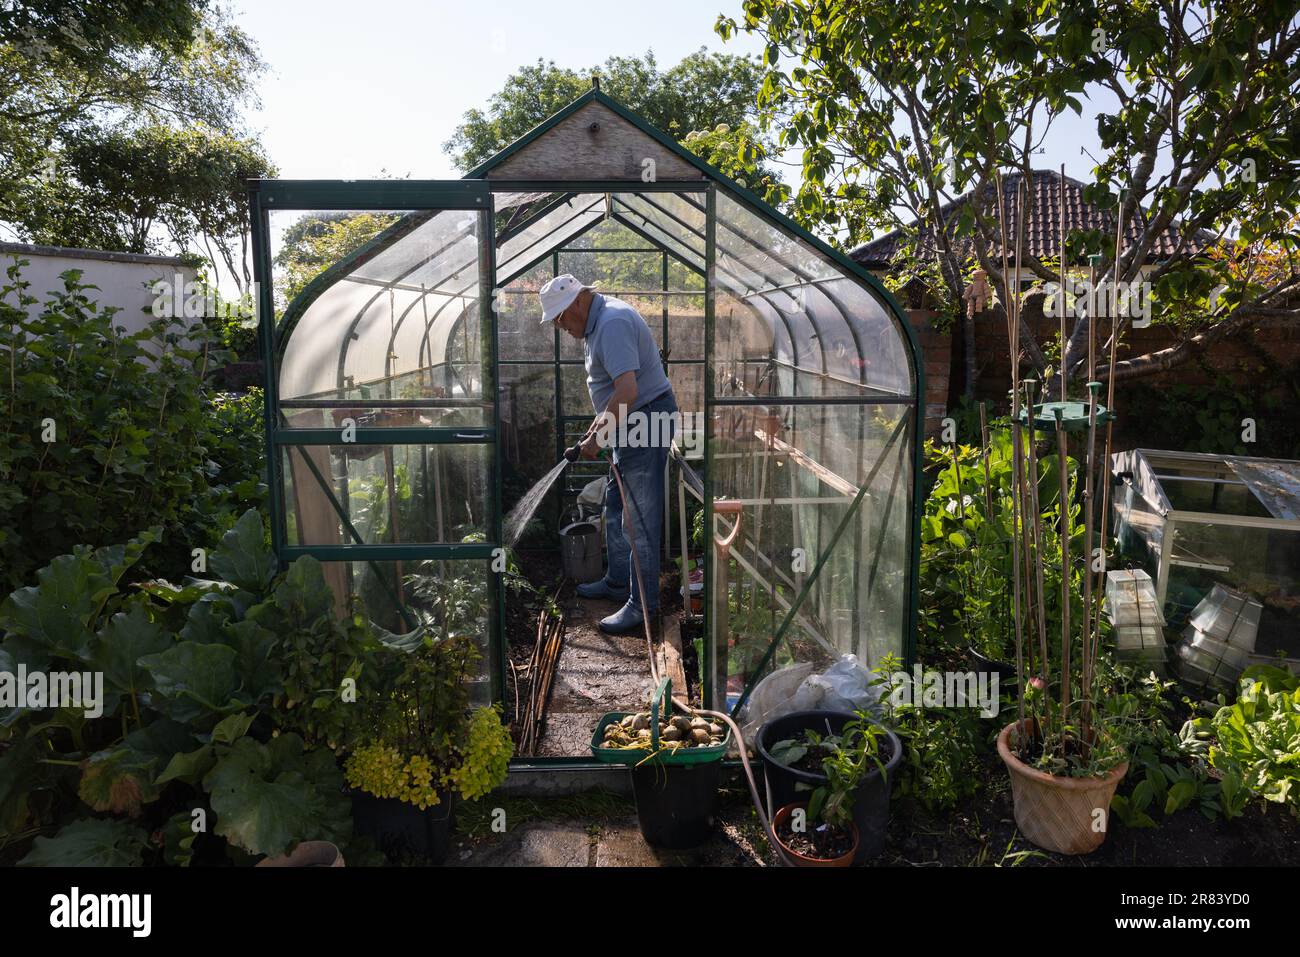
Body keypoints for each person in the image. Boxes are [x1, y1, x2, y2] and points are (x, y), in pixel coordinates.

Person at [539, 274, 677, 634]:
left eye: (560, 317)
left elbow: (629, 390)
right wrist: (599, 428)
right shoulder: (595, 325)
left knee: (639, 523)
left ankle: (641, 606)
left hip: (646, 421)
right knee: (615, 508)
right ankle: (618, 582)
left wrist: (598, 437)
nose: (560, 327)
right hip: (631, 421)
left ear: (578, 302)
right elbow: (613, 391)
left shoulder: (612, 323)